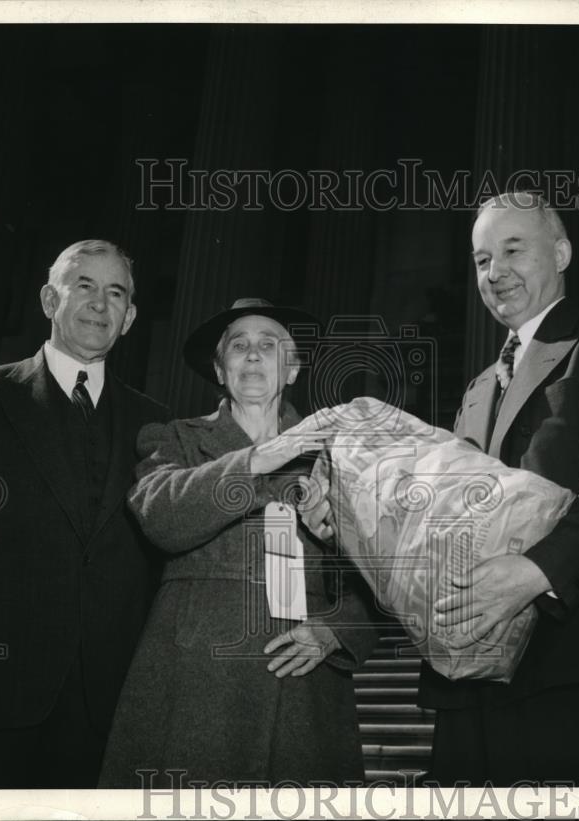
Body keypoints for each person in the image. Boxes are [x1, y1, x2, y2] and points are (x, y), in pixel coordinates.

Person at [0, 239, 170, 788]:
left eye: (115, 292)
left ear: (130, 317)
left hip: (106, 705)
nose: (99, 303)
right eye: (84, 285)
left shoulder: (153, 421)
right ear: (49, 299)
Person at [419, 191, 579, 786]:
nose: (494, 272)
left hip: (561, 670)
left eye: (512, 249)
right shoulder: (474, 390)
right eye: (480, 260)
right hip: (466, 676)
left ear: (562, 252)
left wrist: (534, 573)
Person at [98, 298, 379, 788]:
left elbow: (384, 569)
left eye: (269, 346)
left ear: (291, 369)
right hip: (194, 677)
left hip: (303, 680)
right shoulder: (174, 439)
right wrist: (260, 458)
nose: (253, 356)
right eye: (239, 346)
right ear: (219, 369)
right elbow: (162, 516)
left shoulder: (340, 453)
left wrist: (339, 629)